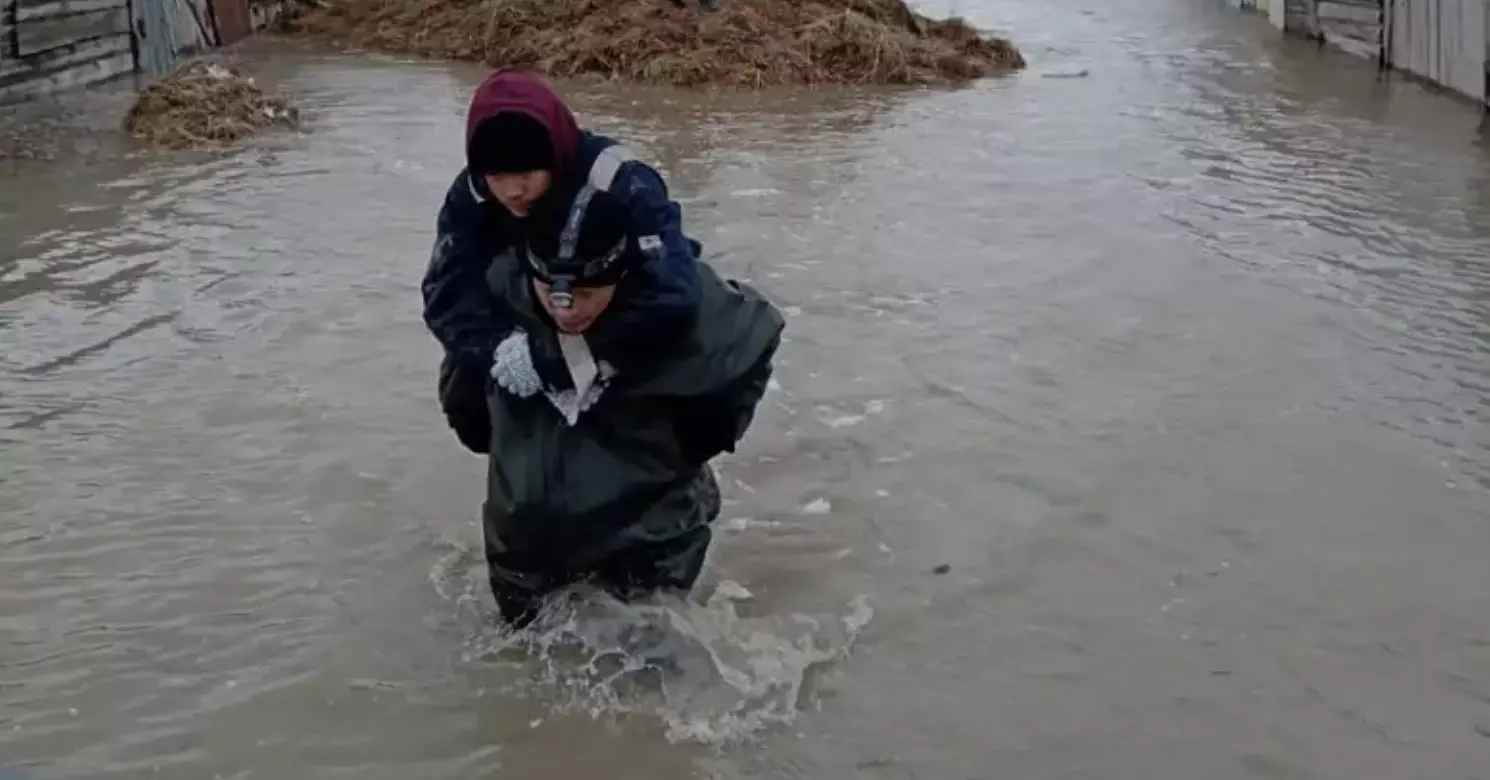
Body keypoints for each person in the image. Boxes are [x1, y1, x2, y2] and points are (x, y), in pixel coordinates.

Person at [442, 183, 784, 628]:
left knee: (653, 675)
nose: (566, 311)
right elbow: (463, 393)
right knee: (520, 672)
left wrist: (694, 443)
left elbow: (755, 337)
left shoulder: (682, 305)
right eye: (551, 290)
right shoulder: (493, 298)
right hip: (523, 543)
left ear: (623, 273)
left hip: (651, 539)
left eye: (586, 291)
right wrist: (512, 459)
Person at [422, 68, 703, 401]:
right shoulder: (474, 192)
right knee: (462, 393)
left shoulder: (619, 179)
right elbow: (446, 289)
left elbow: (672, 291)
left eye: (526, 172)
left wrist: (564, 360)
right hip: (531, 308)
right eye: (497, 175)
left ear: (553, 158)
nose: (513, 191)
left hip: (617, 313)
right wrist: (499, 349)